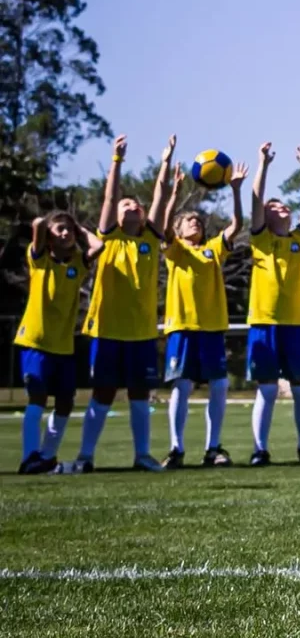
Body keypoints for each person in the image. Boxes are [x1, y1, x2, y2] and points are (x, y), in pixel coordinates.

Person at [63, 134, 176, 473]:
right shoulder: (109, 235)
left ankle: (142, 455)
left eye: (135, 206)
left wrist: (166, 162)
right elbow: (110, 195)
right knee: (103, 393)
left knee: (140, 393)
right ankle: (85, 457)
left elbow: (162, 194)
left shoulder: (151, 239)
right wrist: (116, 160)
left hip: (140, 331)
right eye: (126, 205)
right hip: (107, 329)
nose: (132, 206)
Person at [162, 158, 246, 467]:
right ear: (178, 229)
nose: (195, 222)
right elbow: (162, 228)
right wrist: (173, 196)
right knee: (182, 386)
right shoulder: (175, 250)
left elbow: (236, 225)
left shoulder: (212, 248)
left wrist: (236, 190)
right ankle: (176, 448)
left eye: (198, 219)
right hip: (182, 327)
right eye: (189, 220)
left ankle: (214, 448)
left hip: (211, 327)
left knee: (219, 385)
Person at [245, 142, 300, 466]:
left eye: (284, 207)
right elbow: (254, 198)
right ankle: (259, 449)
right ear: (265, 215)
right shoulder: (261, 238)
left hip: (294, 323)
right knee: (267, 390)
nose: (283, 209)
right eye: (275, 207)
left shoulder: (298, 240)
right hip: (264, 323)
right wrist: (263, 163)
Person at [16, 208, 99, 473]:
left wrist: (80, 230)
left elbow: (100, 245)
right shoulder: (39, 259)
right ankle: (30, 456)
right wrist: (46, 226)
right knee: (37, 397)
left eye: (69, 230)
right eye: (60, 230)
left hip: (63, 345)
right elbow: (39, 223)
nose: (66, 233)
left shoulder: (77, 264)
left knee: (65, 401)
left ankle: (47, 456)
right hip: (36, 341)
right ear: (49, 239)